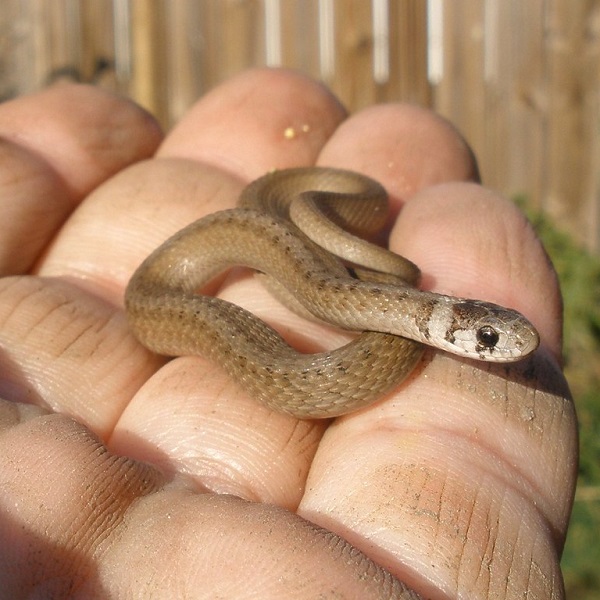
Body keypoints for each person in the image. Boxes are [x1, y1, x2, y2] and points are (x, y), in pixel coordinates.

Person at [0, 68, 576, 598]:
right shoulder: (355, 288)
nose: (494, 350)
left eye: (487, 340)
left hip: (366, 281)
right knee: (277, 253)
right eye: (486, 340)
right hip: (242, 279)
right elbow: (338, 291)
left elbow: (365, 290)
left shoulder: (397, 316)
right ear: (452, 323)